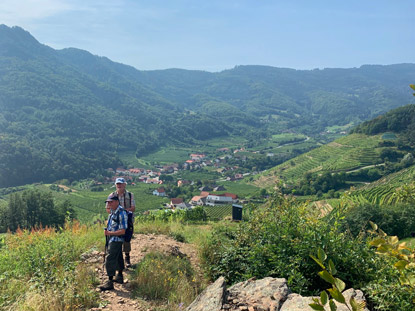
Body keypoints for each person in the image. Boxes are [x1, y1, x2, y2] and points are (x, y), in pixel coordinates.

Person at [100, 193, 128, 291]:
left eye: (111, 202)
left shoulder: (121, 213)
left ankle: (110, 281)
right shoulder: (112, 212)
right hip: (112, 239)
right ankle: (119, 276)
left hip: (117, 239)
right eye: (108, 202)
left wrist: (109, 233)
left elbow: (123, 231)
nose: (109, 204)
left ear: (116, 201)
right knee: (119, 256)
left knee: (110, 258)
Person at [111, 177, 136, 267]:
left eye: (121, 184)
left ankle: (127, 257)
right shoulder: (112, 195)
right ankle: (119, 260)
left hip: (127, 221)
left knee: (126, 239)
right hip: (116, 222)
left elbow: (133, 208)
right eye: (117, 184)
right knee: (117, 240)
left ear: (124, 185)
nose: (119, 185)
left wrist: (122, 211)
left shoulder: (130, 195)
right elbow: (107, 209)